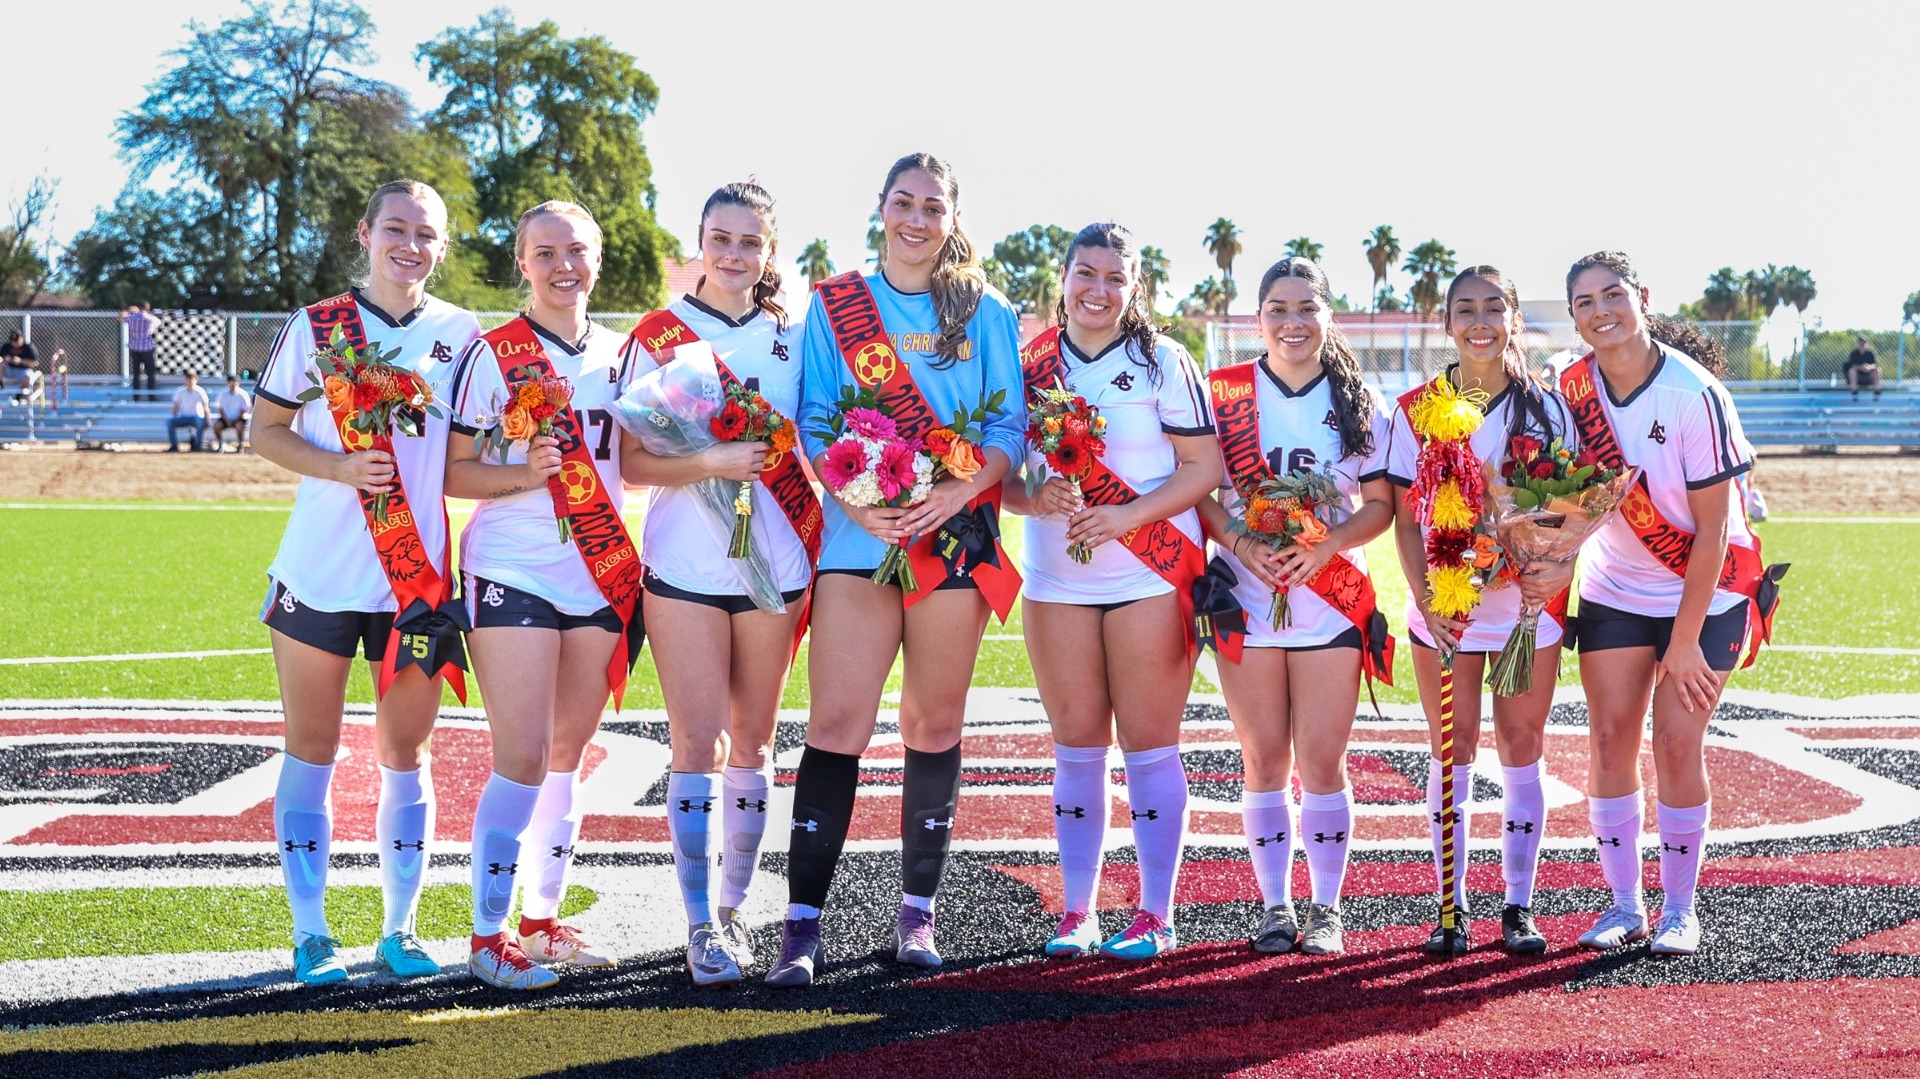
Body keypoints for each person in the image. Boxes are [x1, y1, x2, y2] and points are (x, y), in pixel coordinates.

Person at [766, 152, 1025, 988]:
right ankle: (801, 929)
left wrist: (953, 499)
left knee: (934, 723)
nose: (917, 217)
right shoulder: (834, 303)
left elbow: (1010, 432)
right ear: (880, 207)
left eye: (934, 205)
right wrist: (859, 501)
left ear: (953, 216)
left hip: (951, 541)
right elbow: (812, 418)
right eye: (904, 201)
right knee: (837, 723)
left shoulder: (984, 311)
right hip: (857, 539)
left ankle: (917, 916)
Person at [251, 179, 479, 985]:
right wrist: (343, 465)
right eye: (396, 228)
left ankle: (400, 927)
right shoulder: (317, 326)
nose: (409, 244)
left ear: (442, 247)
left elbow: (465, 459)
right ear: (366, 232)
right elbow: (265, 432)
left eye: (426, 232)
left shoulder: (463, 334)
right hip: (318, 572)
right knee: (312, 750)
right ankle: (311, 931)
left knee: (404, 754)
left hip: (413, 585)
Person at [1549, 250, 1779, 957]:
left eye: (1611, 294)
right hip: (1617, 586)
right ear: (1574, 317)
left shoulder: (1694, 394)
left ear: (1641, 296)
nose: (1600, 311)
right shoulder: (1569, 386)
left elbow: (1713, 530)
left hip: (1705, 594)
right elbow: (1566, 497)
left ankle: (1681, 908)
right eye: (1584, 302)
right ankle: (1624, 905)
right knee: (1611, 740)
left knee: (1677, 740)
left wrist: (1683, 642)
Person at [1002, 222, 1220, 960]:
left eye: (1114, 278)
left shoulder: (1164, 360)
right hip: (1057, 582)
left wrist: (1125, 513)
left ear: (1136, 288)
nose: (1098, 290)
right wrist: (1037, 495)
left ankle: (1156, 911)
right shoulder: (1025, 364)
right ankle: (1077, 910)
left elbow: (1203, 468)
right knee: (1076, 749)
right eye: (1085, 274)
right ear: (1061, 278)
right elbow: (998, 480)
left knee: (1150, 747)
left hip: (1148, 576)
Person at [446, 199, 644, 991]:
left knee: (566, 756)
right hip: (513, 567)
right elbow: (455, 472)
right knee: (523, 754)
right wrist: (521, 475)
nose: (564, 265)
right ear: (521, 262)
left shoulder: (626, 355)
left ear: (597, 258)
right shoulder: (492, 353)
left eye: (578, 250)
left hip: (597, 573)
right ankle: (487, 933)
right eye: (546, 251)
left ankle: (541, 920)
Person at [624, 181, 816, 987]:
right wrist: (710, 461)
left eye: (750, 242)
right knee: (694, 744)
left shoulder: (796, 338)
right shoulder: (658, 333)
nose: (734, 255)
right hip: (685, 570)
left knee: (758, 742)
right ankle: (700, 923)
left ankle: (737, 912)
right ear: (699, 240)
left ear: (771, 253)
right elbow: (631, 462)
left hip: (776, 567)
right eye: (721, 238)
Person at [1194, 257, 1395, 958]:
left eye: (1306, 308)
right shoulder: (1224, 395)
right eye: (1278, 309)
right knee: (1264, 756)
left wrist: (1327, 543)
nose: (1292, 322)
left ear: (1327, 316)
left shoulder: (1361, 398)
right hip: (1246, 594)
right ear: (1259, 319)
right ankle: (1275, 904)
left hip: (1331, 597)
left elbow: (1379, 506)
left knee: (1321, 760)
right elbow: (1202, 494)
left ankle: (1327, 908)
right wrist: (1245, 543)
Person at [1383, 266, 1576, 955]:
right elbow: (1406, 518)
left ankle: (1518, 905)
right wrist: (1424, 594)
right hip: (1448, 608)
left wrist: (1548, 572)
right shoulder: (1415, 407)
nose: (1480, 320)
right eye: (1465, 309)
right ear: (1447, 323)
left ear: (1514, 317)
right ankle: (1451, 906)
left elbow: (1570, 510)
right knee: (1452, 749)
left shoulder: (1550, 409)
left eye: (1494, 307)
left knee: (1522, 748)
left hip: (1524, 606)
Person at [167, 371, 210, 452]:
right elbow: (175, 406)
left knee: (200, 423)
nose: (190, 382)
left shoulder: (200, 391)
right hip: (184, 417)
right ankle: (174, 446)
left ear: (196, 380)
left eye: (192, 379)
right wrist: (174, 416)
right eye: (188, 379)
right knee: (170, 422)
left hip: (197, 417)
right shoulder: (180, 392)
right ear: (185, 380)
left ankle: (197, 446)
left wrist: (207, 418)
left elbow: (205, 406)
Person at [125, 302, 159, 400]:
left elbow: (122, 319)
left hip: (134, 348)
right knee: (150, 373)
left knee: (136, 372)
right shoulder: (150, 318)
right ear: (148, 308)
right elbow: (158, 322)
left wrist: (131, 312)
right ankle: (151, 396)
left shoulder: (132, 317)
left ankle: (136, 396)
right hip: (147, 348)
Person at [211, 376, 253, 451]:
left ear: (238, 383)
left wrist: (235, 419)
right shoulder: (222, 394)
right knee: (216, 426)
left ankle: (240, 445)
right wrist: (227, 420)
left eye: (234, 382)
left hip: (239, 418)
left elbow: (245, 409)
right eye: (231, 382)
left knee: (239, 426)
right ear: (227, 383)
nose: (233, 384)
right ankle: (220, 444)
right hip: (225, 418)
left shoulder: (243, 394)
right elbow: (220, 409)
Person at [2, 331, 38, 402]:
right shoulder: (6, 346)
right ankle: (1, 386)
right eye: (12, 341)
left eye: (16, 341)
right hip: (10, 369)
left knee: (28, 377)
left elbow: (35, 363)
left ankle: (19, 396)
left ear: (21, 339)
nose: (14, 343)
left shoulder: (28, 347)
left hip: (23, 370)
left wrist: (21, 361)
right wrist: (4, 359)